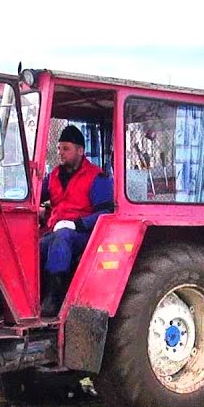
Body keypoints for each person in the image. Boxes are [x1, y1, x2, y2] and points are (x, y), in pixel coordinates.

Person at [39, 125, 114, 316]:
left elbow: (105, 213)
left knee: (62, 237)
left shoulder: (96, 177)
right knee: (36, 246)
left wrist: (77, 224)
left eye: (66, 149)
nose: (61, 154)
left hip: (84, 234)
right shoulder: (54, 175)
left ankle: (55, 297)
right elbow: (36, 197)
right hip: (56, 231)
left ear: (80, 151)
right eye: (59, 149)